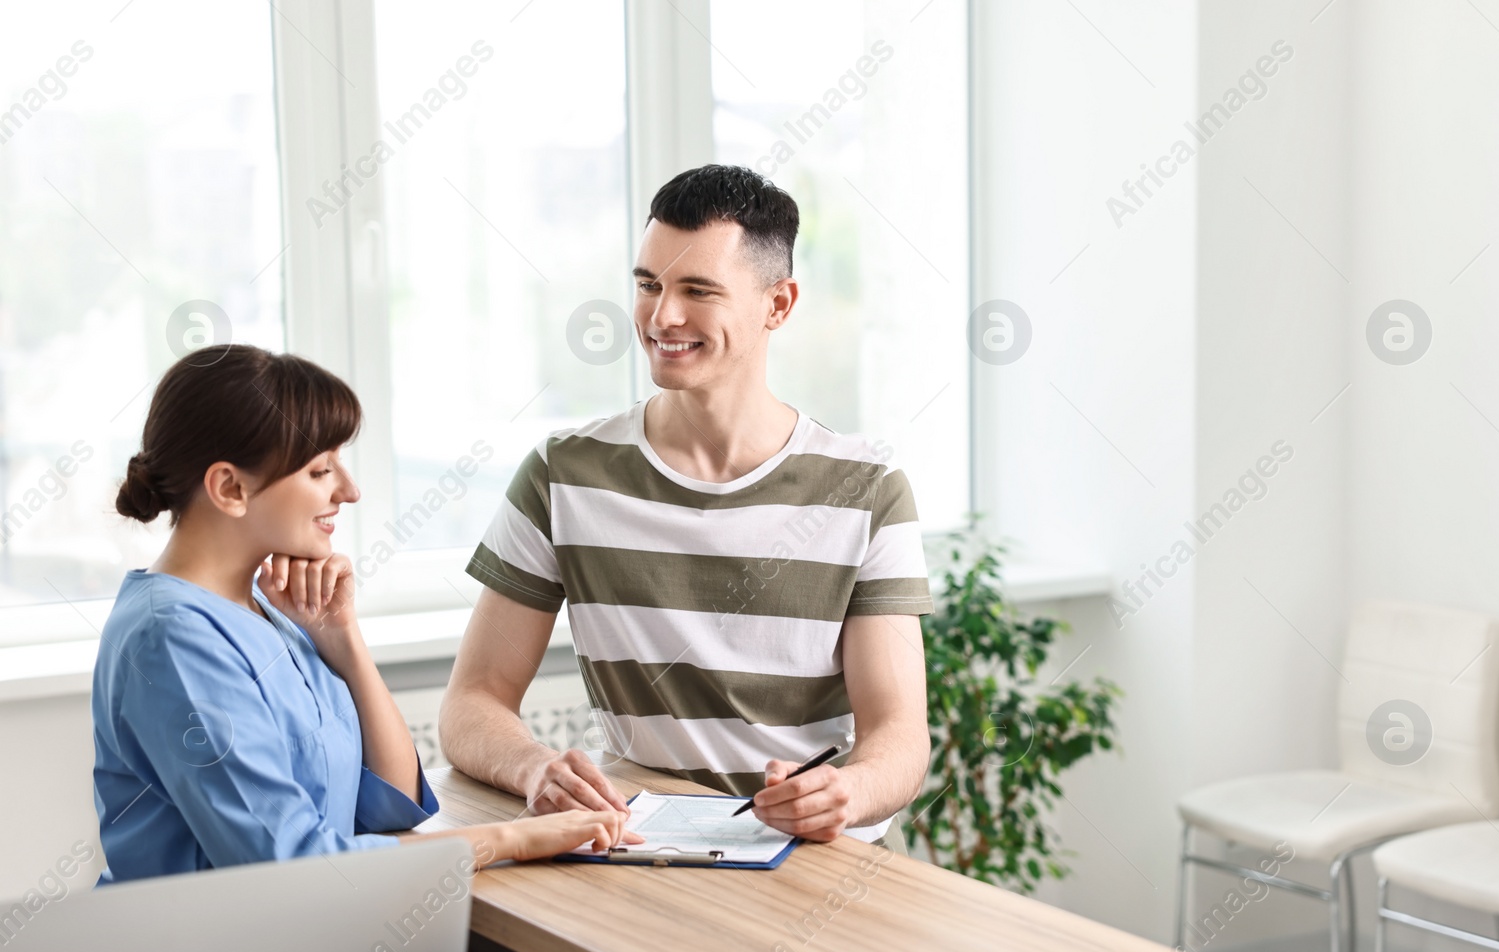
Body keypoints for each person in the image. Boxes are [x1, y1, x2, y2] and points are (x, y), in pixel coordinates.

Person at [441, 164, 933, 846]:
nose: (661, 316)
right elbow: (473, 699)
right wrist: (535, 768)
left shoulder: (867, 487)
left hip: (811, 861)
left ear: (778, 305)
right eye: (648, 285)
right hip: (641, 848)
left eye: (697, 290)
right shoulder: (565, 473)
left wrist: (847, 791)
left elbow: (899, 735)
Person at [93, 344, 638, 884]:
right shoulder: (171, 638)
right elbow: (288, 864)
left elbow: (394, 804)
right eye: (320, 470)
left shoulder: (266, 613)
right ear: (231, 488)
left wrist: (344, 642)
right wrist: (515, 838)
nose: (349, 491)